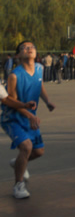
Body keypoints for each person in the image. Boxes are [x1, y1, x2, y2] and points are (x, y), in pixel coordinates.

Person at [1, 41, 56, 199]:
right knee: (26, 147)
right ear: (18, 55)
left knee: (38, 152)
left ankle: (18, 162)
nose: (29, 49)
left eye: (32, 47)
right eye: (24, 48)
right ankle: (18, 186)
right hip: (13, 117)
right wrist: (30, 115)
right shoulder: (14, 76)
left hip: (30, 116)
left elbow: (40, 85)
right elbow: (11, 102)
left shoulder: (39, 68)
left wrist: (47, 101)